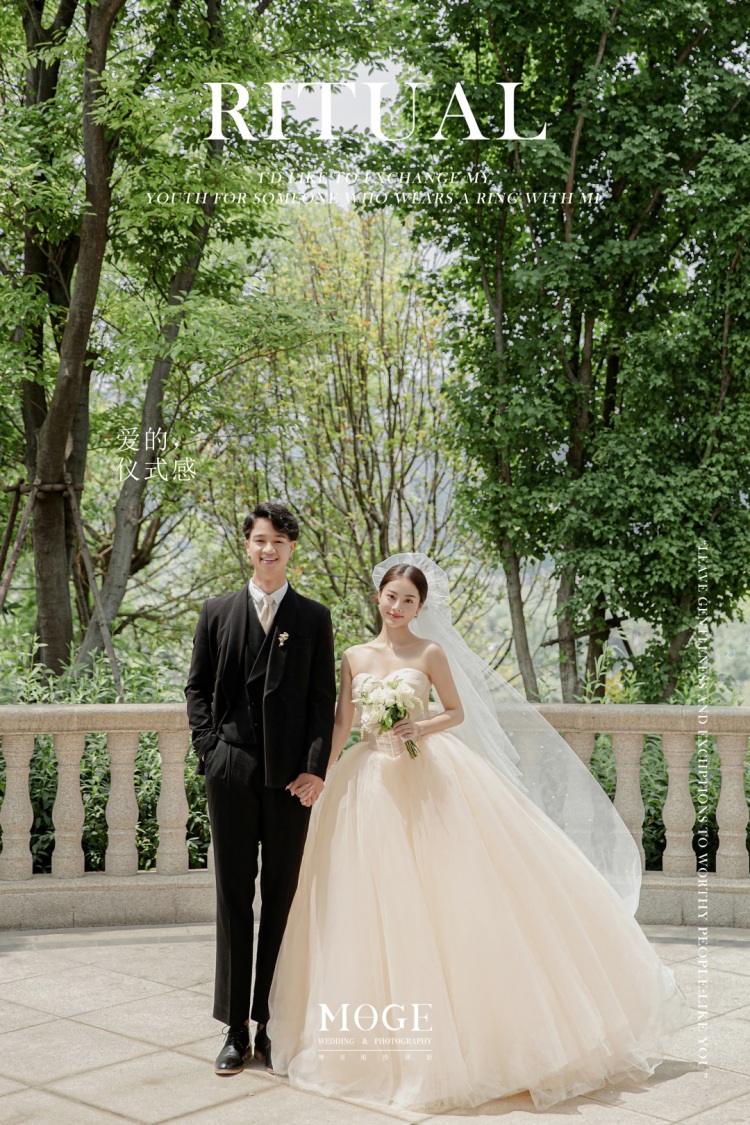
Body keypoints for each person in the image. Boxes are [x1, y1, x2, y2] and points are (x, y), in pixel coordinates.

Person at [267, 554, 693, 1113]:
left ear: (420, 607)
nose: (397, 607)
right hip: (369, 782)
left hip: (427, 776)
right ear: (378, 597)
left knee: (448, 895)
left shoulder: (430, 652)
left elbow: (456, 712)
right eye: (391, 596)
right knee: (371, 901)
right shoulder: (353, 656)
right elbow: (343, 722)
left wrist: (419, 725)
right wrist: (321, 773)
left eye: (409, 600)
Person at [185, 502, 336, 1076]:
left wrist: (315, 768)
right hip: (231, 770)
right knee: (232, 897)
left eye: (279, 541)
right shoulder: (216, 612)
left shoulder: (313, 617)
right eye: (260, 540)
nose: (268, 549)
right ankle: (234, 1028)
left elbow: (322, 700)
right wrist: (210, 751)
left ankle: (272, 1023)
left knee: (281, 897)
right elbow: (197, 688)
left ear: (291, 548)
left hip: (291, 780)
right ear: (247, 545)